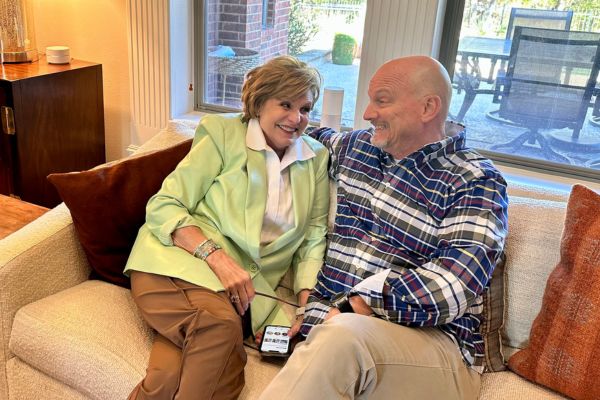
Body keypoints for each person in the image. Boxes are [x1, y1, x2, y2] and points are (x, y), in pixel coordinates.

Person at [259, 55, 509, 400]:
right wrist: (237, 124)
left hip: (435, 348)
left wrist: (353, 307)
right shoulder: (358, 147)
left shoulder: (474, 180)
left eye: (382, 100)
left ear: (428, 107)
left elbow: (453, 285)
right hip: (339, 337)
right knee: (339, 339)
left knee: (342, 337)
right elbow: (298, 130)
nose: (367, 113)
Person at [124, 55, 329, 400]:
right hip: (178, 262)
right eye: (286, 104)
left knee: (165, 379)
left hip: (241, 292)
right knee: (219, 327)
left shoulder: (316, 158)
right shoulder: (222, 134)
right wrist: (217, 257)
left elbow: (313, 238)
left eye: (306, 108)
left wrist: (307, 306)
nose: (297, 118)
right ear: (260, 102)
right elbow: (165, 205)